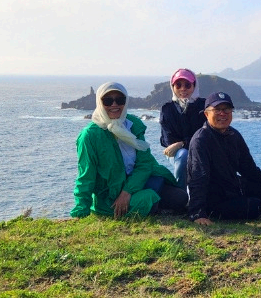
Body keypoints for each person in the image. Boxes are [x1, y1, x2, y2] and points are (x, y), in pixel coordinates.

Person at [71, 82, 188, 218]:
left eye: (120, 100)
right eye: (108, 101)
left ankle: (149, 205)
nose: (114, 105)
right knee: (149, 199)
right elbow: (86, 176)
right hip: (111, 194)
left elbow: (144, 163)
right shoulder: (90, 136)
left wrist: (127, 191)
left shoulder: (132, 125)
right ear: (99, 102)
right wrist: (81, 210)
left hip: (138, 182)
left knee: (180, 198)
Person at [187, 91, 261, 225]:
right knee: (256, 206)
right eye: (217, 110)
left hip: (235, 187)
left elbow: (247, 167)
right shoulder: (201, 140)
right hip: (215, 198)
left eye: (226, 109)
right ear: (206, 114)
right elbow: (198, 177)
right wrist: (197, 213)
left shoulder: (233, 134)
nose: (222, 113)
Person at [159, 68, 206, 190]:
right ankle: (181, 193)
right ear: (173, 87)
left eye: (187, 85)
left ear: (194, 86)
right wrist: (184, 145)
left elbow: (206, 136)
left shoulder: (204, 106)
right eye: (178, 85)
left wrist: (182, 143)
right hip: (177, 152)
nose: (182, 89)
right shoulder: (167, 109)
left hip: (200, 149)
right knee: (184, 155)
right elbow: (168, 140)